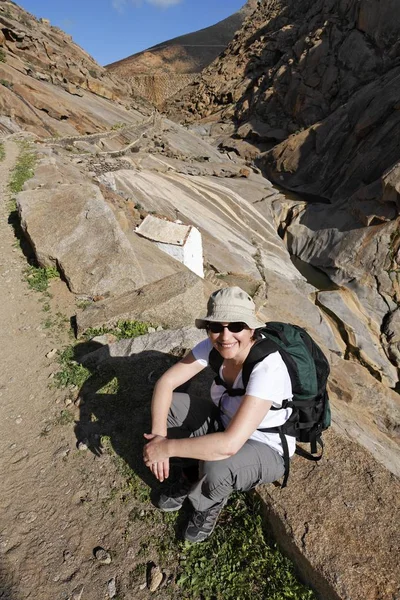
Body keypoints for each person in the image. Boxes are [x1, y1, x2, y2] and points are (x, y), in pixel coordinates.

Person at [143, 286, 295, 543]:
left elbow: (228, 446)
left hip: (265, 445)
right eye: (216, 327)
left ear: (252, 329)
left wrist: (166, 448)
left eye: (236, 326)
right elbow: (165, 384)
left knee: (217, 464)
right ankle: (191, 475)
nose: (225, 336)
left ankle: (207, 503)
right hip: (225, 423)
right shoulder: (212, 347)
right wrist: (158, 435)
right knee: (168, 407)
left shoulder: (267, 369)